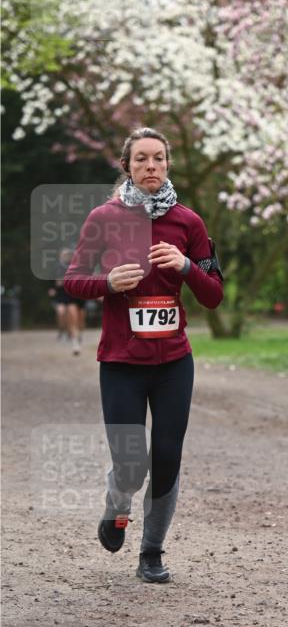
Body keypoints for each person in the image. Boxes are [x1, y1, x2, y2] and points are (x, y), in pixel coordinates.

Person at [63, 127, 224, 583]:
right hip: (120, 362)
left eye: (158, 158)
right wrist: (108, 283)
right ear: (127, 167)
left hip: (174, 362)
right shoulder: (103, 218)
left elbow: (214, 296)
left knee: (168, 457)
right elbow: (73, 280)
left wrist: (187, 266)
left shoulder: (189, 223)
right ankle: (117, 507)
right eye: (141, 160)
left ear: (168, 164)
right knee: (131, 463)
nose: (150, 166)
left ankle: (152, 551)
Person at [48, 248, 87, 354]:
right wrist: (55, 287)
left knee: (81, 321)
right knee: (71, 317)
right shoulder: (59, 268)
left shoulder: (82, 266)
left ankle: (78, 336)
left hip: (81, 296)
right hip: (67, 296)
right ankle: (75, 343)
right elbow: (52, 281)